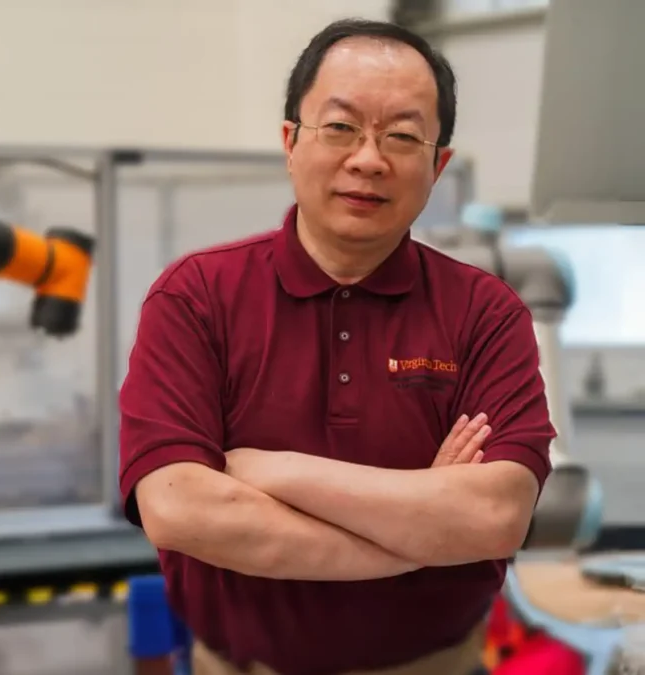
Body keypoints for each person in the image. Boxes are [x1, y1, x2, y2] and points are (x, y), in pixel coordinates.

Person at [118, 18, 555, 675]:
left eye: (403, 135)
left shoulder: (485, 313)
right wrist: (418, 535)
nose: (369, 159)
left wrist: (271, 470)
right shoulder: (195, 297)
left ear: (437, 165)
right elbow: (178, 507)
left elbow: (494, 514)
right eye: (342, 127)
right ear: (291, 141)